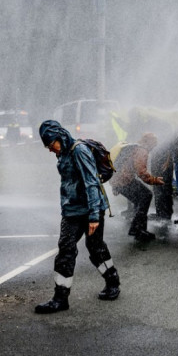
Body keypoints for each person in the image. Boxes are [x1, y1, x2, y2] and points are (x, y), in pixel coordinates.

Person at [35, 120, 120, 314]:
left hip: (91, 210)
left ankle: (113, 282)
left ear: (60, 136)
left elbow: (91, 183)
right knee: (66, 250)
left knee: (95, 247)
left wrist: (93, 216)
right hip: (71, 211)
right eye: (47, 146)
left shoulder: (79, 151)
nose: (49, 149)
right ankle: (60, 298)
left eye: (50, 144)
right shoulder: (63, 153)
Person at [108, 132, 163, 242]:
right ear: (149, 143)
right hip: (123, 180)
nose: (155, 146)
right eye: (154, 144)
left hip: (117, 179)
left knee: (140, 200)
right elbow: (141, 172)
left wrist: (115, 185)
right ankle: (137, 229)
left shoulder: (133, 147)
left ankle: (140, 230)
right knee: (146, 196)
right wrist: (154, 180)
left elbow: (119, 163)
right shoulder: (142, 151)